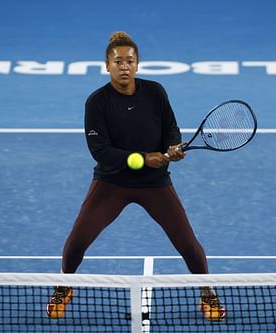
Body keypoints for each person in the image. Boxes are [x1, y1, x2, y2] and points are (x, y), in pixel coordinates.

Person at [46, 31, 225, 321]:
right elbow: (101, 152)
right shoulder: (97, 103)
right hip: (112, 183)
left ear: (138, 64)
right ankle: (64, 285)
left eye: (130, 60)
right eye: (118, 61)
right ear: (107, 66)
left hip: (154, 184)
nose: (124, 65)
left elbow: (170, 126)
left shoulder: (155, 92)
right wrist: (143, 158)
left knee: (188, 244)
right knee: (77, 240)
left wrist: (172, 147)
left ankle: (208, 292)